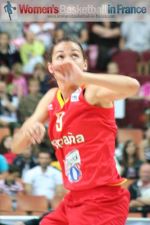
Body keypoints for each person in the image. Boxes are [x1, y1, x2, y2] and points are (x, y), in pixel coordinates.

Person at [12, 37, 140, 225]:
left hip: (103, 201)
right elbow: (16, 147)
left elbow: (133, 87)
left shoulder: (91, 92)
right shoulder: (50, 97)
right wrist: (29, 129)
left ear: (84, 64)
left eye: (74, 55)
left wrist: (84, 78)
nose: (68, 61)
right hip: (73, 199)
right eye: (60, 56)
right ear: (51, 67)